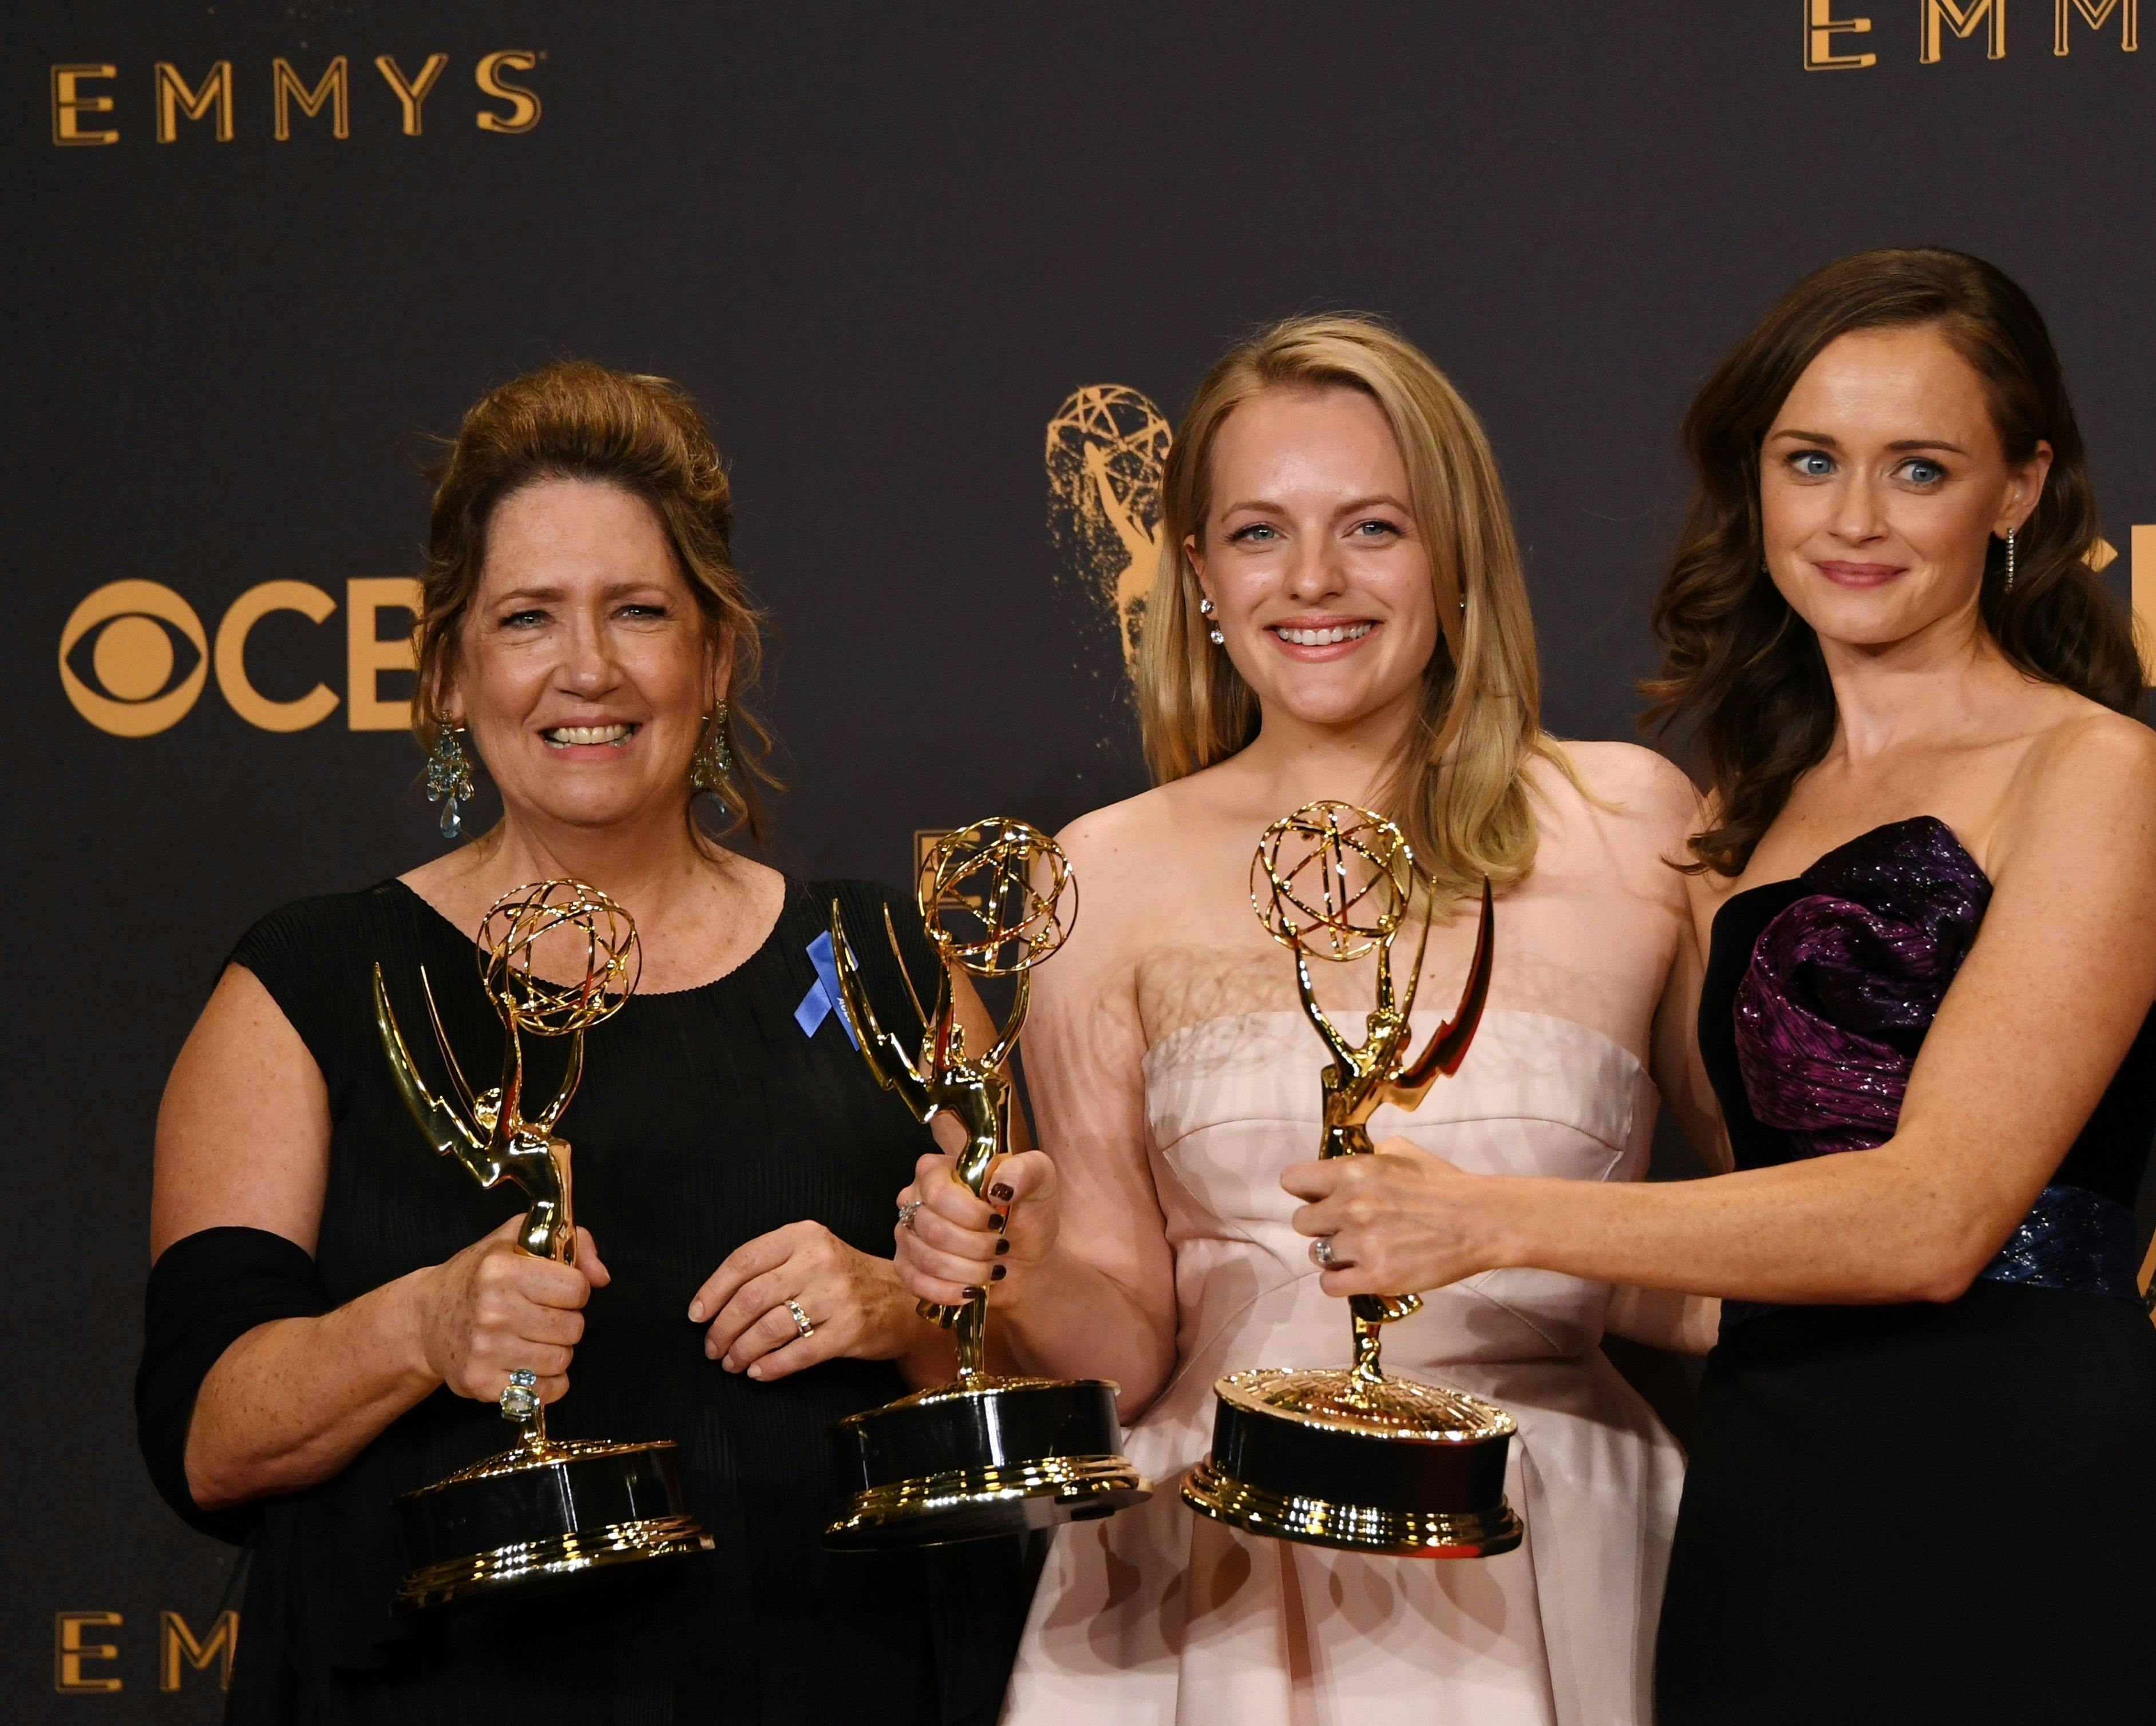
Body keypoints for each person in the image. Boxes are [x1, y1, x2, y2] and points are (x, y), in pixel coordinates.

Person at [1281, 251, 2156, 1723]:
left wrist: (1487, 1219)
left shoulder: (2096, 771)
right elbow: (1752, 1217)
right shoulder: (1735, 822)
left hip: (2030, 1490)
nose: (1853, 519)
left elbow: (1933, 1216)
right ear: (1754, 480)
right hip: (1775, 1498)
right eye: (1810, 461)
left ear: (2021, 488)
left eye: (1919, 468)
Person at [137, 361, 1025, 1723]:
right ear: (450, 671)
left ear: (714, 659)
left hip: (838, 1678)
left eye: (639, 611)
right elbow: (207, 1437)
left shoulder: (891, 961)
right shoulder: (308, 984)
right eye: (528, 617)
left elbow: (1034, 1397)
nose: (588, 668)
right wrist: (421, 1324)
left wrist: (910, 1311)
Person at [895, 314, 1717, 1725]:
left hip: (1547, 1547)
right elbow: (1128, 1343)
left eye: (1373, 526)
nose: (1314, 579)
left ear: (1457, 553)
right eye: (1259, 533)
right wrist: (1015, 1269)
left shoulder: (1630, 821)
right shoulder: (1101, 869)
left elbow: (1752, 1245)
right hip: (1205, 1574)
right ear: (1199, 572)